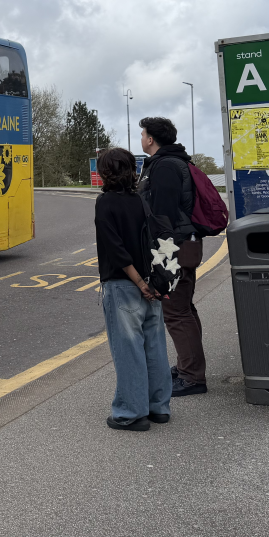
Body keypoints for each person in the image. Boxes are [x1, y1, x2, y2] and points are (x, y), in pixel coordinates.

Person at [94, 147, 171, 431]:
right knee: (155, 346)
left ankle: (130, 412)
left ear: (105, 173)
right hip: (153, 283)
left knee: (128, 350)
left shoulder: (105, 203)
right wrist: (150, 284)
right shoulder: (141, 201)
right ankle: (158, 407)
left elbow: (115, 249)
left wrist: (138, 283)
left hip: (123, 285)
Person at [138, 115, 206, 397]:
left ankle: (192, 378)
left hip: (173, 247)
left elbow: (161, 215)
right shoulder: (175, 161)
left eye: (143, 134)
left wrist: (158, 256)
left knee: (176, 312)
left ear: (151, 139)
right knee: (184, 308)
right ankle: (188, 367)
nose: (141, 138)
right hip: (182, 243)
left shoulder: (164, 166)